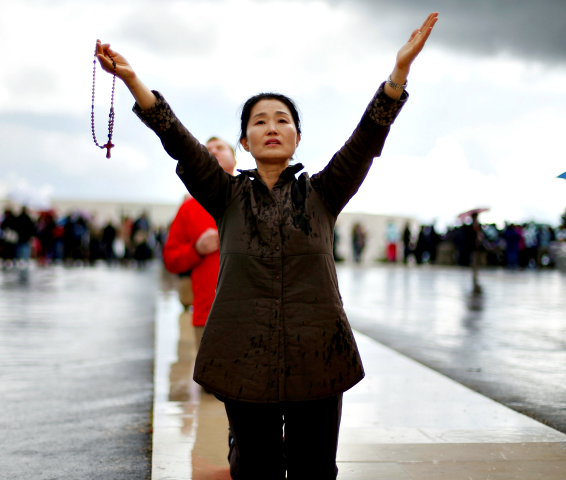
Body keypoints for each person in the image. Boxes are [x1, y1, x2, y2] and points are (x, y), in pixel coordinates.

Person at [95, 11, 437, 479]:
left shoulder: (325, 191)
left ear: (297, 137)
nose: (271, 126)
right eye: (259, 121)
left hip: (318, 354)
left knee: (315, 468)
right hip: (243, 356)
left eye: (282, 119)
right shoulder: (226, 194)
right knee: (253, 467)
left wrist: (398, 74)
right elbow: (177, 140)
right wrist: (133, 81)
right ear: (246, 141)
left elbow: (366, 139)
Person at [164, 136, 237, 351]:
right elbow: (170, 259)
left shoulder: (254, 197)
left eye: (220, 147)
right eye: (207, 149)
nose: (213, 150)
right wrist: (196, 249)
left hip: (255, 314)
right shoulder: (189, 208)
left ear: (234, 159)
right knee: (210, 381)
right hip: (208, 315)